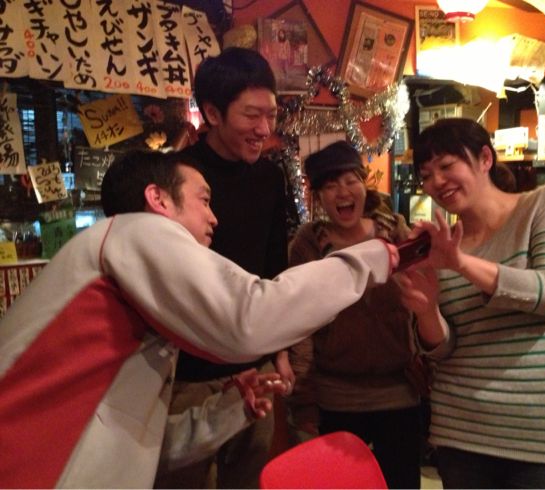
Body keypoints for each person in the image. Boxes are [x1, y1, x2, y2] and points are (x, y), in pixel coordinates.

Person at [0, 150, 399, 489]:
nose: (214, 218)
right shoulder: (137, 230)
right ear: (158, 199)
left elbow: (143, 447)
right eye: (204, 200)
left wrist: (230, 409)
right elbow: (250, 318)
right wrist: (372, 258)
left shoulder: (136, 306)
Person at [395, 118, 545, 489]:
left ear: (485, 159)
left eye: (446, 165)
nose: (436, 182)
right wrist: (427, 310)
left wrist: (461, 263)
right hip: (462, 435)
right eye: (425, 175)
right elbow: (444, 348)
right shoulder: (442, 247)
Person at [166, 46, 292, 489]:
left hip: (253, 365)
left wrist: (280, 350)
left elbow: (275, 267)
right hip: (188, 373)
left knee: (247, 479)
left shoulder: (270, 177)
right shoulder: (176, 178)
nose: (264, 129)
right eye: (251, 115)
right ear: (213, 114)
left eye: (271, 115)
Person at [285, 141, 423, 489]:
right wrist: (304, 402)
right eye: (331, 185)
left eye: (350, 181)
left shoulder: (395, 234)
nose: (343, 192)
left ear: (364, 184)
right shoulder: (309, 243)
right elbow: (301, 324)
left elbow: (424, 306)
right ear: (318, 196)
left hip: (399, 393)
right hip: (336, 397)